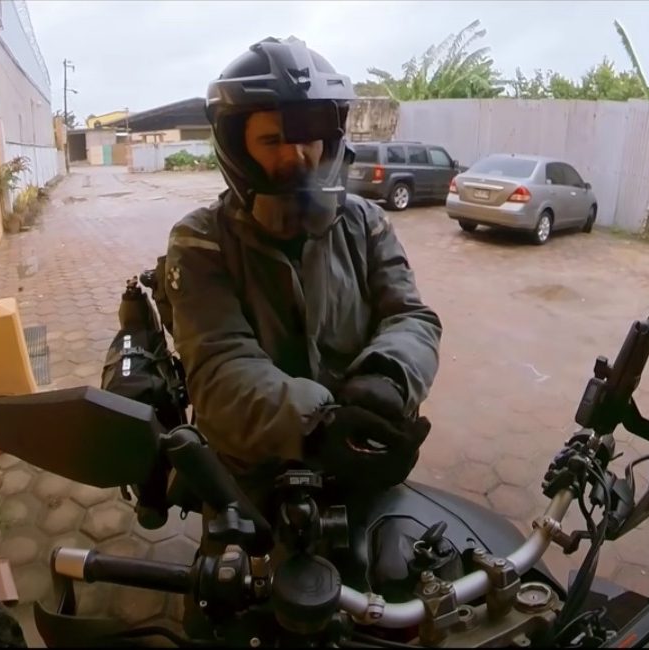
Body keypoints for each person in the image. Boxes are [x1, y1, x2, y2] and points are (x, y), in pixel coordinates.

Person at [162, 36, 443, 514]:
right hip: (253, 476)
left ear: (329, 141)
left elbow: (411, 316)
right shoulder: (200, 240)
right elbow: (218, 365)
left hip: (360, 458)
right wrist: (317, 425)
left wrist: (388, 377)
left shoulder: (366, 222)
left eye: (308, 138)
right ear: (237, 148)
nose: (296, 157)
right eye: (273, 141)